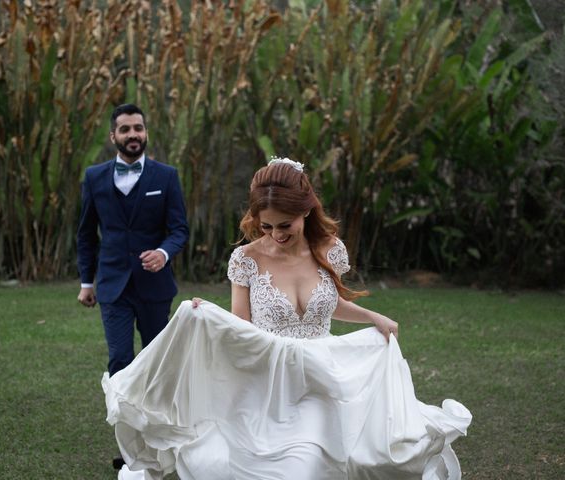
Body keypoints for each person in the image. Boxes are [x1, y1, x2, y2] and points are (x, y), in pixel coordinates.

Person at [102, 158, 472, 480]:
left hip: (321, 374)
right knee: (230, 464)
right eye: (267, 227)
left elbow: (329, 304)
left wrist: (373, 316)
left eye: (285, 225)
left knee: (331, 460)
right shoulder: (246, 259)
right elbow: (240, 326)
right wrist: (207, 318)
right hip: (268, 377)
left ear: (306, 210)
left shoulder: (330, 250)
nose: (276, 235)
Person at [76, 103, 189, 377]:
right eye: (124, 129)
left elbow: (179, 230)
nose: (133, 134)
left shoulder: (166, 176)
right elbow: (86, 233)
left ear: (146, 132)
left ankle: (155, 416)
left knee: (157, 359)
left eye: (138, 128)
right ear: (113, 136)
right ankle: (122, 418)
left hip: (155, 286)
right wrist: (86, 282)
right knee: (119, 359)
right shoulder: (94, 177)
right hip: (113, 285)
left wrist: (163, 253)